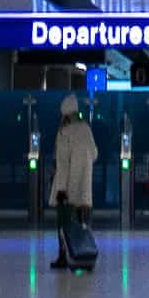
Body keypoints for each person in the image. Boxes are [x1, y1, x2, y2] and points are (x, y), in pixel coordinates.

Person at [47, 99, 99, 272]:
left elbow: (62, 164)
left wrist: (61, 190)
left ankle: (64, 256)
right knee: (84, 224)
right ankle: (85, 256)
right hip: (84, 189)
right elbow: (94, 154)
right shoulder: (86, 129)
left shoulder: (64, 132)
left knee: (64, 224)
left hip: (67, 188)